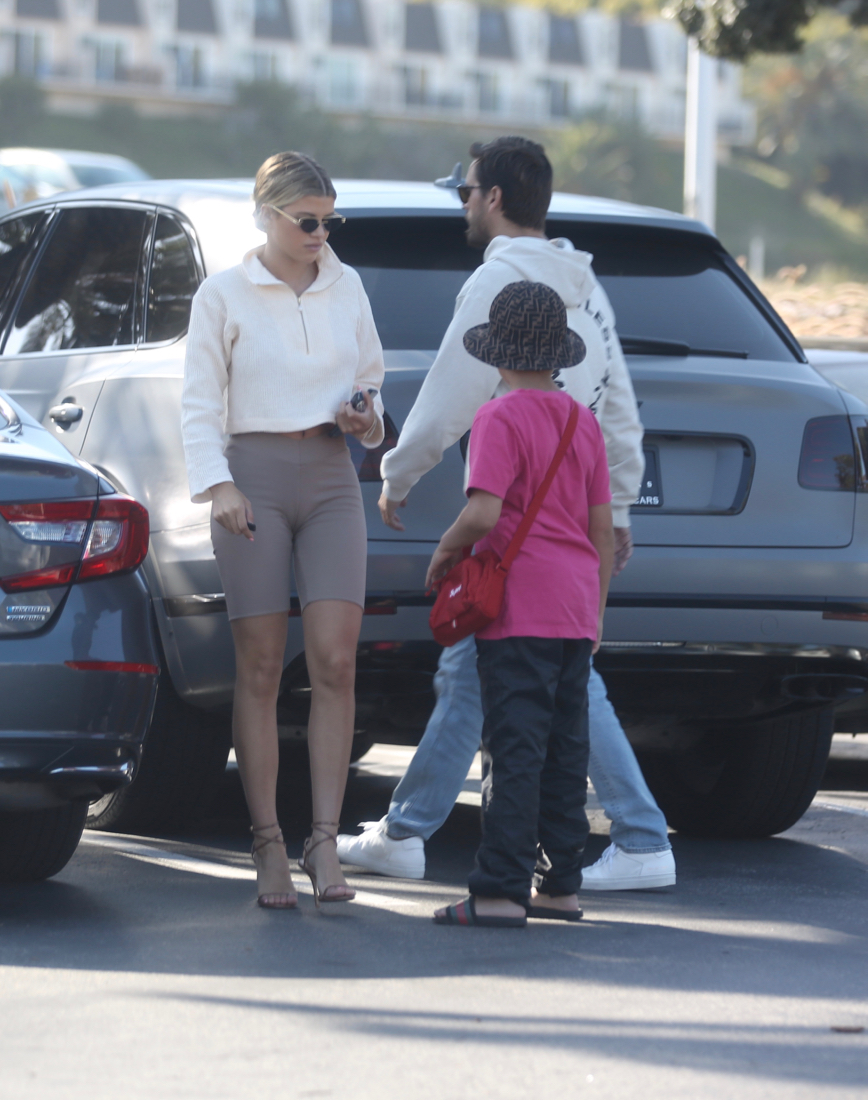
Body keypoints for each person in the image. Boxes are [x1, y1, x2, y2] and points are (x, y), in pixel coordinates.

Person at [337, 136, 675, 891]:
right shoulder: (584, 285)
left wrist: (395, 474)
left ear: (492, 198)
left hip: (512, 534)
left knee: (530, 678)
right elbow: (617, 403)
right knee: (494, 675)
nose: (464, 204)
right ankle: (408, 829)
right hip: (568, 532)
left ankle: (642, 836)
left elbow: (450, 393)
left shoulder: (499, 283)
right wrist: (617, 505)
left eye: (468, 192)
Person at [182, 151, 385, 909]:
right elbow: (199, 403)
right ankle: (267, 841)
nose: (322, 234)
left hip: (332, 475)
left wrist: (367, 416)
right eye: (308, 221)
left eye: (332, 221)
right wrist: (219, 484)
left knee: (336, 661)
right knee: (262, 666)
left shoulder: (347, 284)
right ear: (266, 214)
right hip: (253, 480)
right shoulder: (224, 294)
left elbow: (372, 380)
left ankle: (323, 841)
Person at [431, 280, 613, 927]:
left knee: (514, 749)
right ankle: (560, 885)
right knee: (566, 751)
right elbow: (601, 531)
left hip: (518, 610)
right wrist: (596, 615)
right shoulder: (582, 421)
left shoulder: (498, 417)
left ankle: (500, 891)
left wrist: (444, 552)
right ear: (558, 354)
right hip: (572, 607)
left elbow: (482, 513)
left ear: (497, 353)